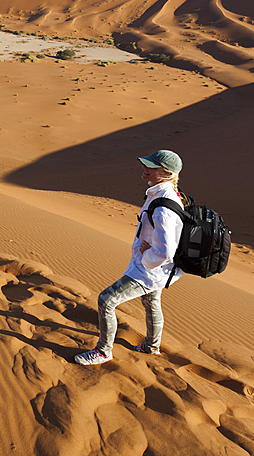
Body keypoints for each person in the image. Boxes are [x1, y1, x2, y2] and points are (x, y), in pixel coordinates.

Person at [75, 150, 185, 365]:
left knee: (106, 300)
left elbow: (165, 251)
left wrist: (145, 256)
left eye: (151, 166)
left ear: (167, 173)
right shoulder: (163, 193)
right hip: (157, 270)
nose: (145, 168)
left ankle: (103, 351)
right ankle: (151, 346)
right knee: (151, 301)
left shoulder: (164, 206)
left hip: (150, 269)